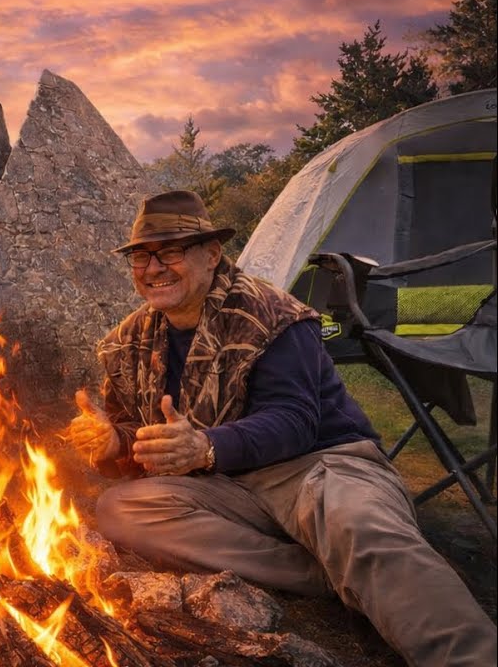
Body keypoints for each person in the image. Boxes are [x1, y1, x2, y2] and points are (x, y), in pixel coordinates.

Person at [67, 190, 496, 666]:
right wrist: (114, 441)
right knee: (122, 510)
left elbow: (294, 422)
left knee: (357, 524)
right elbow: (143, 439)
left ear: (212, 255)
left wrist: (205, 447)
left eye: (170, 251)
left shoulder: (271, 315)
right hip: (225, 486)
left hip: (318, 466)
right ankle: (326, 572)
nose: (154, 268)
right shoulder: (131, 341)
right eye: (142, 257)